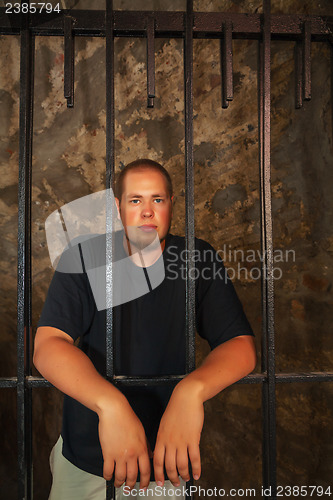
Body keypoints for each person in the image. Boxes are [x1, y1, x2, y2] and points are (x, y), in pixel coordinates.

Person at [34, 159, 256, 500]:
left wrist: (191, 391)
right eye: (135, 200)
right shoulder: (84, 258)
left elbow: (240, 345)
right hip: (88, 456)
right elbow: (49, 344)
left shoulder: (197, 258)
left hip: (164, 461)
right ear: (119, 209)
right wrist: (111, 405)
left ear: (170, 206)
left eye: (158, 199)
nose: (147, 211)